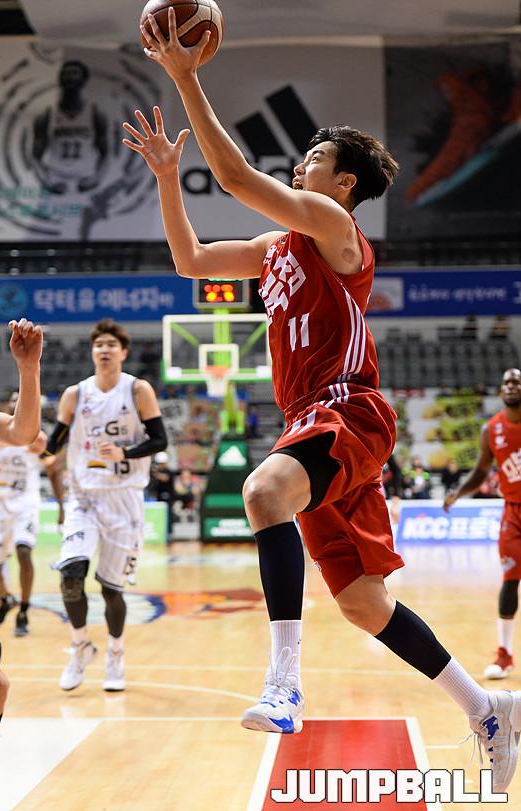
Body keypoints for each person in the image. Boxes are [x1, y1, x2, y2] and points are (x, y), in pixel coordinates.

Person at [123, 18, 521, 791]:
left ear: (343, 184)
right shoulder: (275, 250)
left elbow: (236, 179)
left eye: (316, 156)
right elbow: (191, 260)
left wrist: (185, 76)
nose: (303, 160)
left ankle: (283, 683)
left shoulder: (338, 229)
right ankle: (488, 709)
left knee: (262, 490)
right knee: (366, 604)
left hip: (349, 410)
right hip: (313, 418)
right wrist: (169, 176)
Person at [44, 319, 167, 692]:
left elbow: (160, 440)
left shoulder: (138, 390)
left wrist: (124, 453)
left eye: (112, 344)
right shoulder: (75, 394)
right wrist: (42, 450)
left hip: (124, 498)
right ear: (92, 351)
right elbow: (54, 441)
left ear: (123, 352)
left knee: (111, 589)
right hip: (83, 496)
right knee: (70, 575)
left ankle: (115, 653)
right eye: (99, 345)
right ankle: (81, 645)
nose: (104, 350)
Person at [0, 286, 43, 764]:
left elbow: (23, 433)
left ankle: (17, 605)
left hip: (19, 503)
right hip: (1, 506)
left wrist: (28, 368)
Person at [444, 368, 521, 682]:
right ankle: (505, 654)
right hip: (513, 513)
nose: (511, 386)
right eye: (506, 382)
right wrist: (457, 493)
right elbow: (479, 472)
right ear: (500, 391)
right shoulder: (491, 429)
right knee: (510, 580)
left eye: (516, 381)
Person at [0, 393, 64, 638]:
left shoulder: (35, 438)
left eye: (20, 398)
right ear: (5, 405)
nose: (15, 402)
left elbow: (54, 469)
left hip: (25, 504)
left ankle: (24, 610)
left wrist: (62, 506)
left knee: (24, 551)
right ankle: (6, 599)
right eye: (12, 399)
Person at [32, 60, 108, 195]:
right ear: (59, 79)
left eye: (74, 73)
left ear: (84, 79)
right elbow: (35, 155)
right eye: (66, 74)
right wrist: (44, 180)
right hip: (55, 175)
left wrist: (97, 178)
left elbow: (105, 153)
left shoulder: (95, 113)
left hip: (86, 175)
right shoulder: (46, 115)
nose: (70, 77)